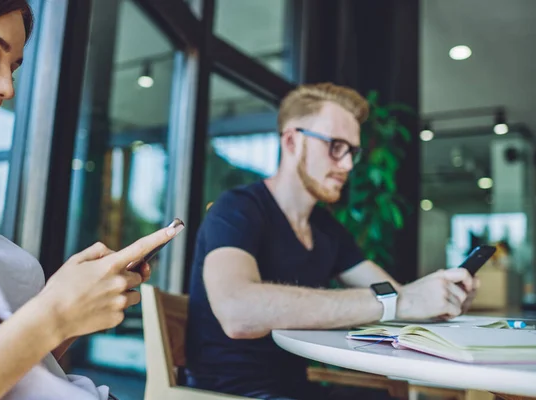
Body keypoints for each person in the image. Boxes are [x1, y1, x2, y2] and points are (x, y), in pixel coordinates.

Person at [0, 1, 183, 399]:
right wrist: (55, 313)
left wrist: (73, 313)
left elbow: (16, 376)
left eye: (13, 67)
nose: (6, 88)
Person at [185, 83, 479, 400]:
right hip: (229, 394)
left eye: (352, 151)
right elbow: (236, 312)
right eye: (335, 146)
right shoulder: (238, 208)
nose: (348, 165)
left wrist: (437, 298)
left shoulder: (326, 229)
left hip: (298, 388)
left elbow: (394, 295)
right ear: (292, 141)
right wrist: (400, 301)